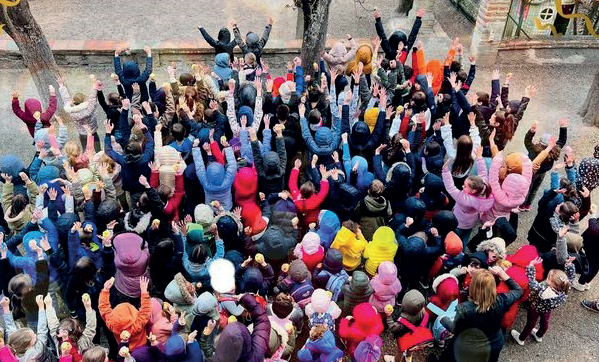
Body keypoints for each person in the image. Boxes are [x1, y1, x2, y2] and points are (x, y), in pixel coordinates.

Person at [441, 267, 522, 362]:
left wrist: (443, 319)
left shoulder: (464, 309)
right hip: (494, 344)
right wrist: (501, 273)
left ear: (473, 287)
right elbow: (518, 291)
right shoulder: (502, 300)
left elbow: (455, 329)